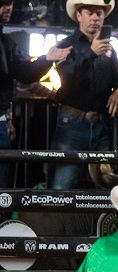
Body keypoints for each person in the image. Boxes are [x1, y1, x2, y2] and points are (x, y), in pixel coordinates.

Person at [50, 0, 118, 190]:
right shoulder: (66, 45)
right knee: (62, 187)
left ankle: (95, 222)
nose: (95, 18)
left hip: (100, 125)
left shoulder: (109, 49)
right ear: (78, 16)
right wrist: (91, 54)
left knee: (103, 186)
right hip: (72, 123)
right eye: (90, 13)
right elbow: (68, 78)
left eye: (99, 13)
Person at [0, 0, 71, 188]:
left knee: (2, 185)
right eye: (2, 4)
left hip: (1, 122)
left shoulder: (5, 43)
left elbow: (25, 74)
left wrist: (47, 59)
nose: (8, 8)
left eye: (9, 3)